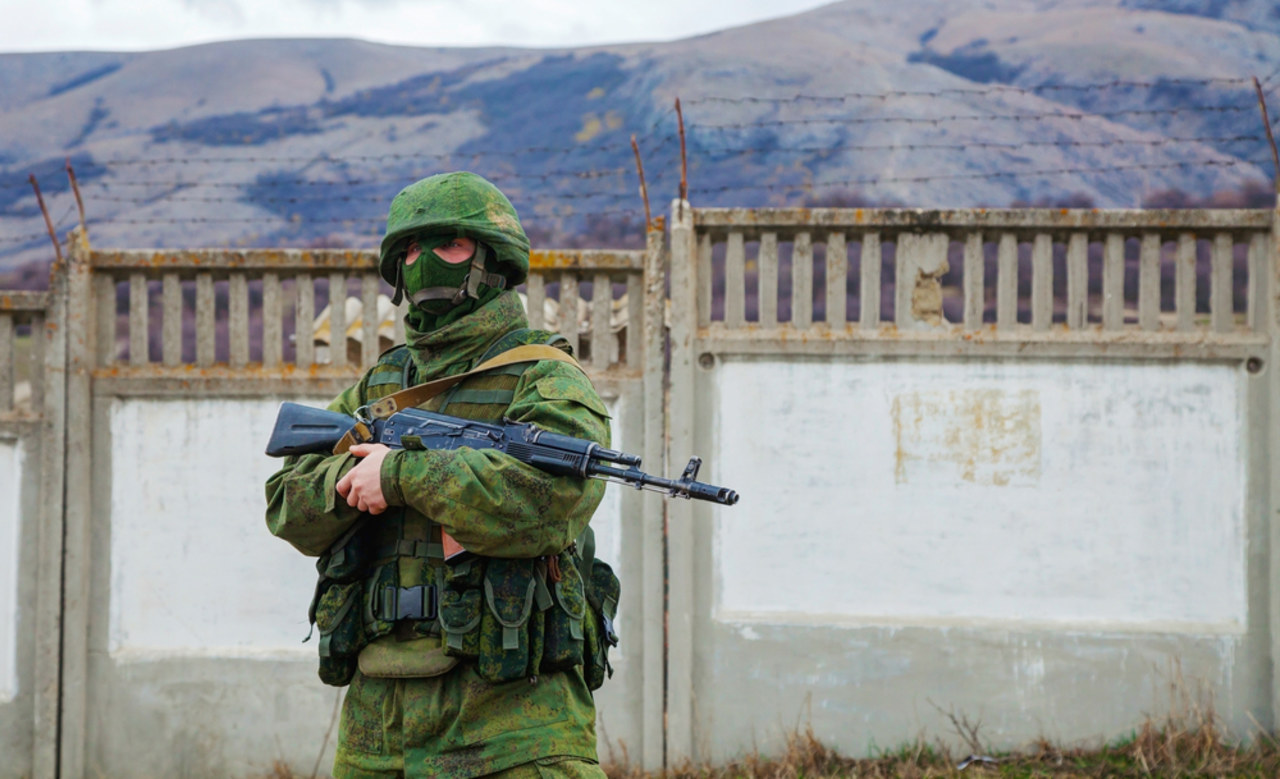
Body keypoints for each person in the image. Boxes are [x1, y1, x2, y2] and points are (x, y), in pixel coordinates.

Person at [265, 171, 614, 779]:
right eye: (409, 250)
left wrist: (401, 476)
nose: (424, 262)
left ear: (492, 260)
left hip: (514, 724)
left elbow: (551, 498)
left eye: (447, 245)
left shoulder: (546, 377)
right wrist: (351, 485)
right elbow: (287, 507)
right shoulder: (380, 387)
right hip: (379, 726)